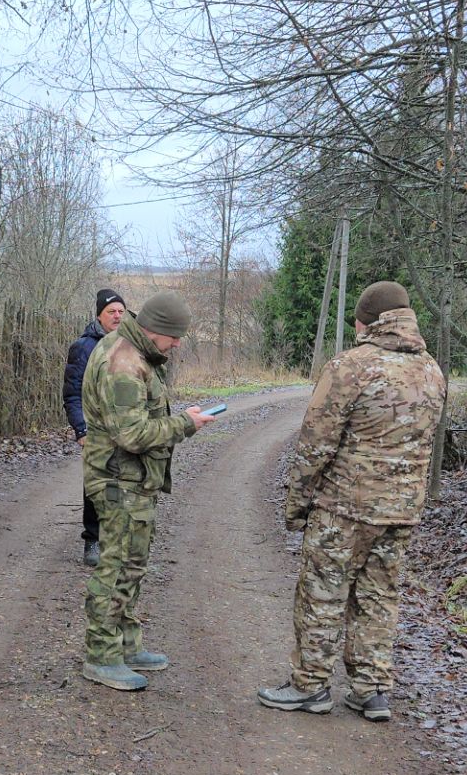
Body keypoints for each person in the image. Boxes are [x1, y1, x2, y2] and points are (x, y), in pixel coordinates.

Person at [258, 281, 446, 721]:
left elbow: (315, 443)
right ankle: (372, 689)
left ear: (367, 322)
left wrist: (299, 502)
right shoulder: (432, 370)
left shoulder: (350, 367)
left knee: (322, 593)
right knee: (379, 596)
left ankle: (310, 686)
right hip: (401, 509)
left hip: (344, 507)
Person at [79, 291, 215, 691]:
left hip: (133, 480)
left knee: (133, 564)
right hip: (119, 480)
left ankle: (126, 645)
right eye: (173, 337)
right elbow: (131, 434)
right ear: (154, 330)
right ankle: (102, 655)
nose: (177, 345)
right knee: (117, 565)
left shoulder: (138, 352)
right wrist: (185, 425)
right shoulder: (124, 363)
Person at [65, 288, 128, 567]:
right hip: (95, 427)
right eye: (111, 311)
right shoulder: (84, 347)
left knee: (124, 481)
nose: (117, 316)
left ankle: (115, 539)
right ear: (99, 315)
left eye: (120, 312)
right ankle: (93, 539)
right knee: (95, 484)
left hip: (125, 427)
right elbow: (72, 392)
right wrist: (81, 429)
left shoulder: (129, 344)